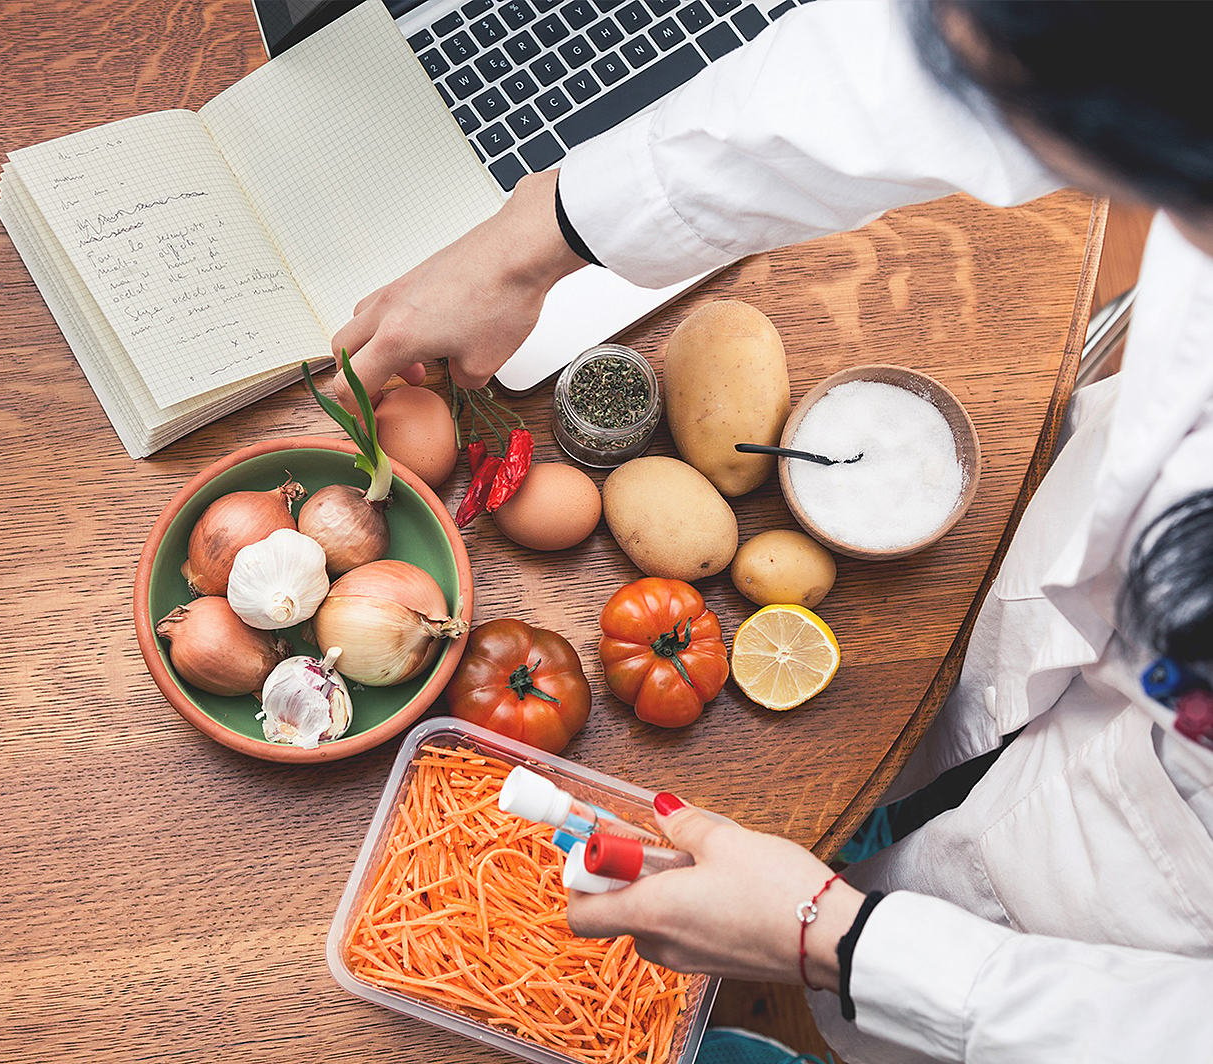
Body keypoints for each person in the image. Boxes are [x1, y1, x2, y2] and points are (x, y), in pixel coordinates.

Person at [333, 1, 1213, 1059]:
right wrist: (537, 239)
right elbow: (903, 71)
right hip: (1074, 669)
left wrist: (844, 941)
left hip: (1115, 953)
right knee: (944, 746)